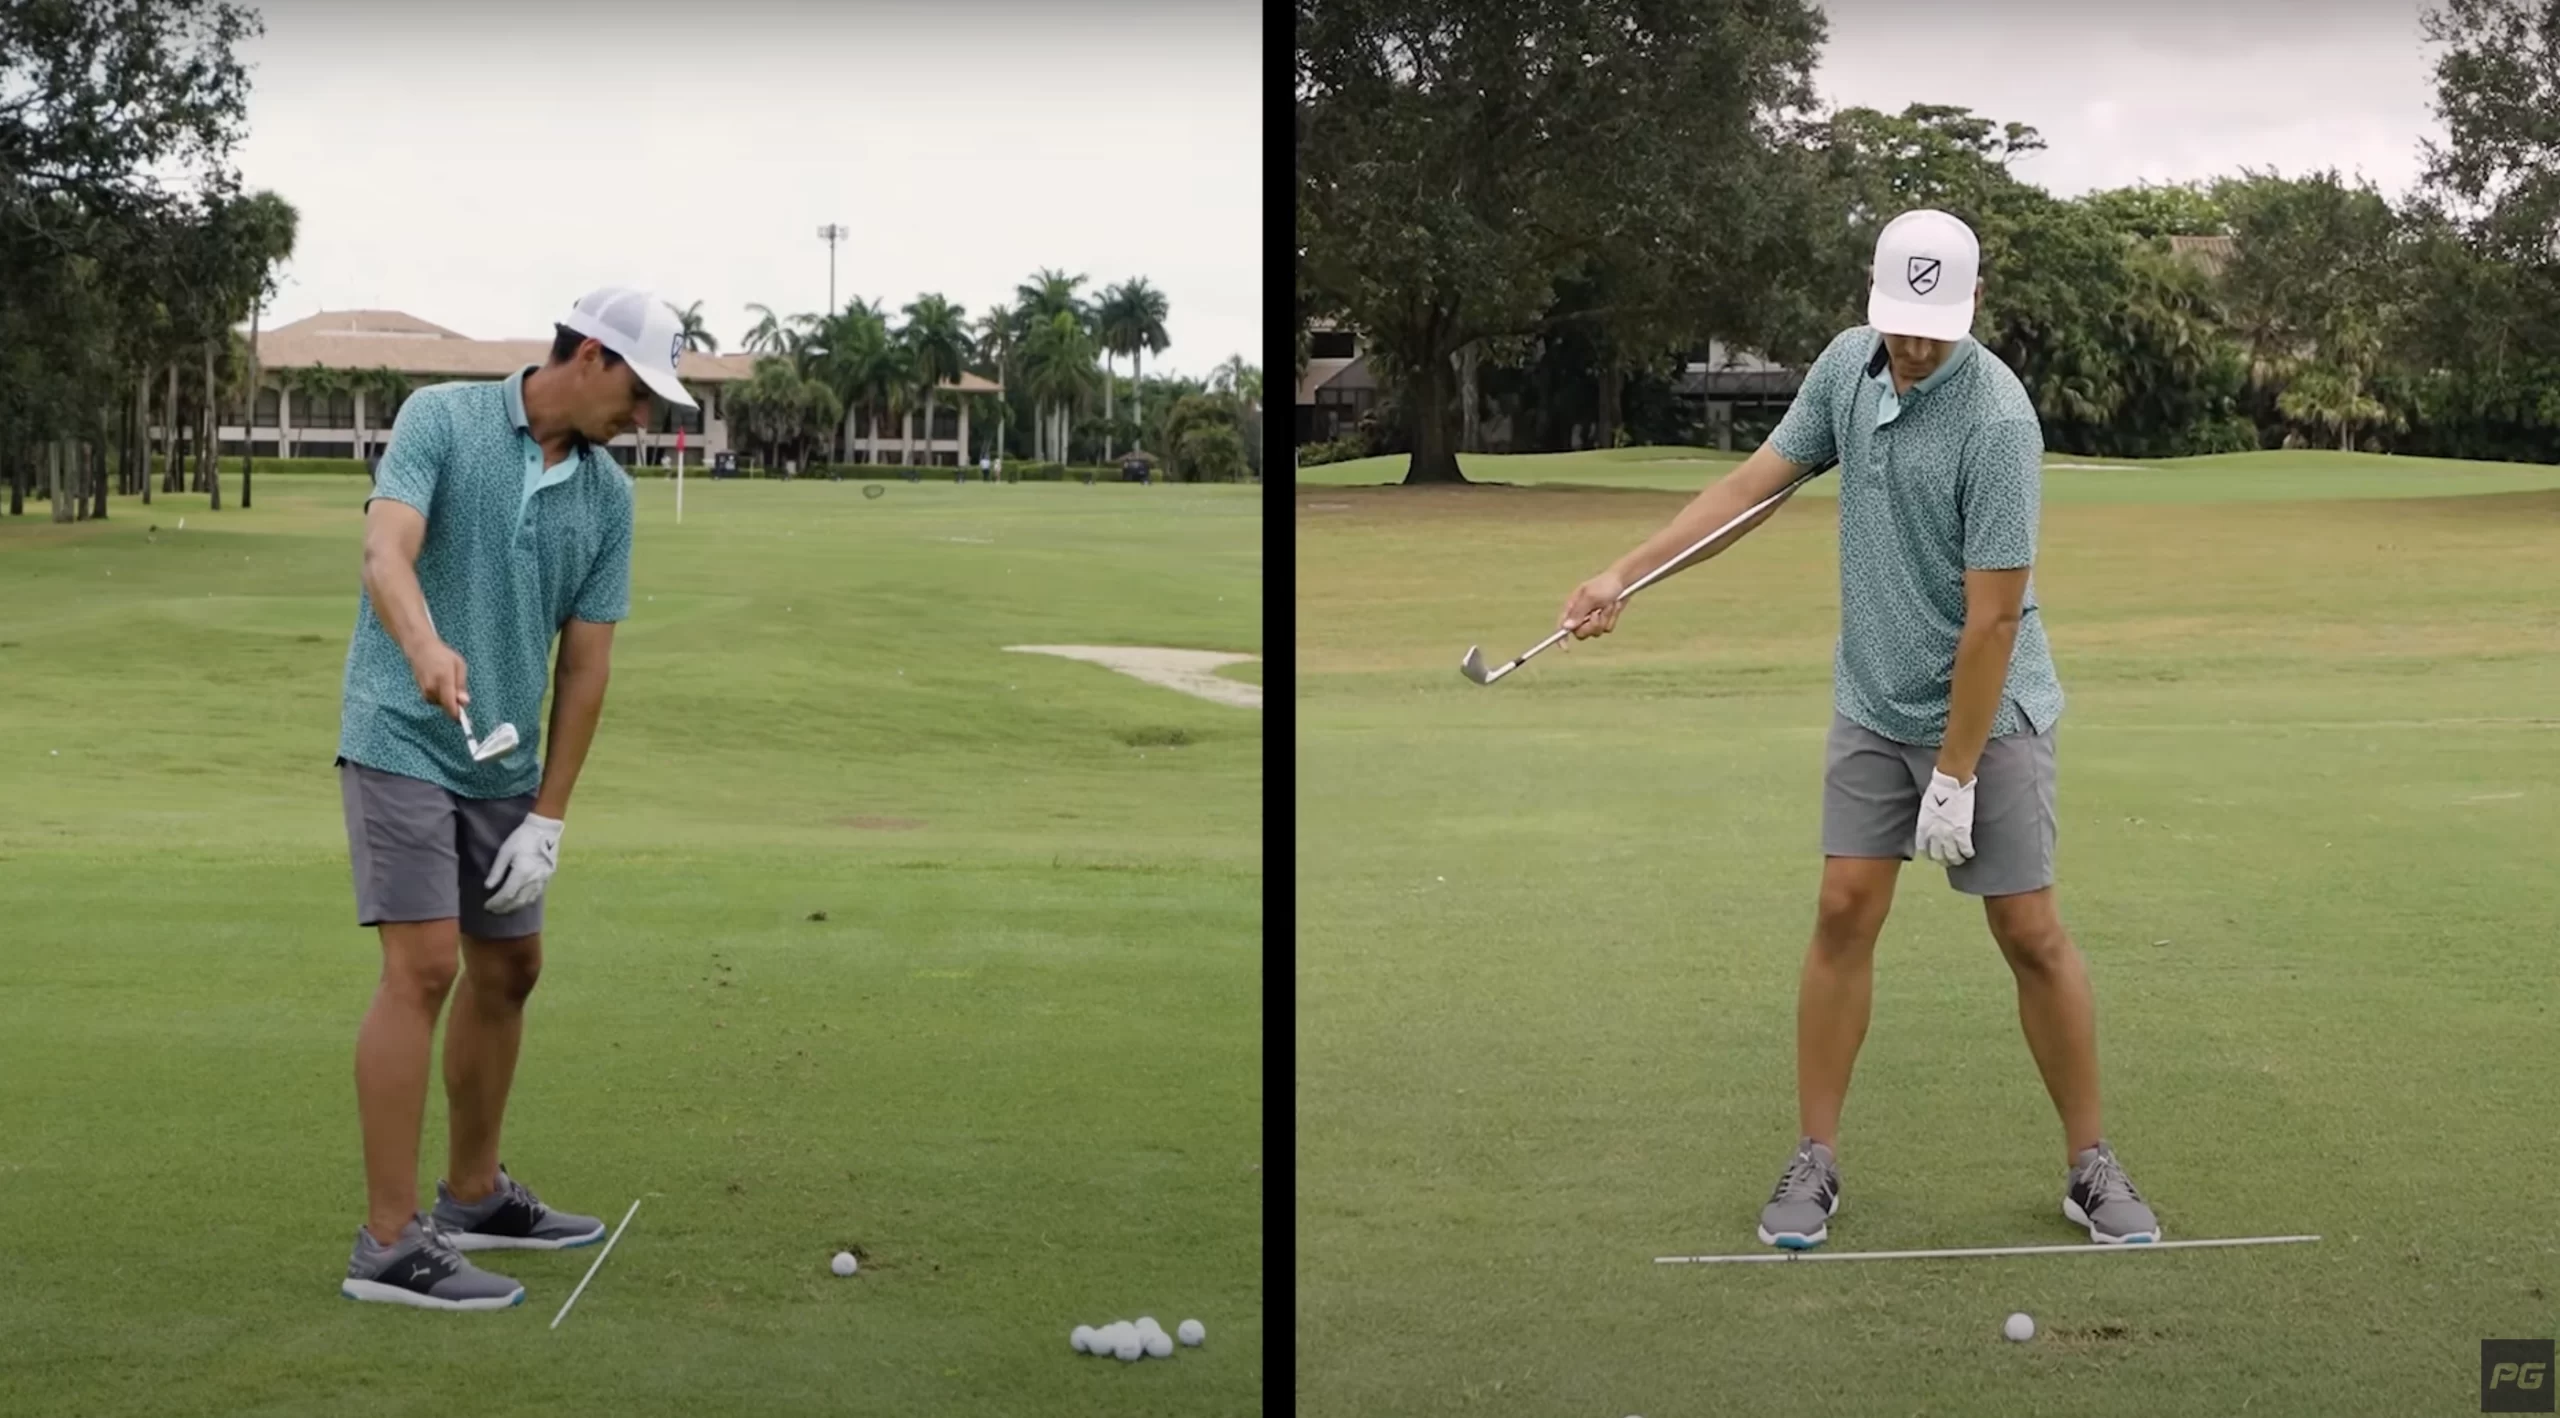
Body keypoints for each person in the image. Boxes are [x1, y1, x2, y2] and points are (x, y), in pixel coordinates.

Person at [1558, 210, 2160, 1251]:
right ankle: (1816, 1157)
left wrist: (1957, 773)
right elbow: (1753, 488)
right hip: (1872, 701)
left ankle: (2090, 1163)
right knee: (1842, 908)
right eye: (1898, 325)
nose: (1913, 346)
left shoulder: (1998, 422)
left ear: (1969, 308)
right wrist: (1626, 573)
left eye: (1932, 326)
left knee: (2027, 930)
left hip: (1990, 709)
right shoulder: (1847, 367)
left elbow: (1993, 619)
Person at [334, 285, 695, 1308]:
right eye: (638, 392)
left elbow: (585, 667)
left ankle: (474, 1192)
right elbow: (384, 552)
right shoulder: (441, 418)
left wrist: (549, 813)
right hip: (400, 733)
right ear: (588, 355)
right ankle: (390, 1241)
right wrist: (423, 647)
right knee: (427, 962)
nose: (645, 418)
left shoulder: (607, 497)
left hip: (500, 763)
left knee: (514, 964)